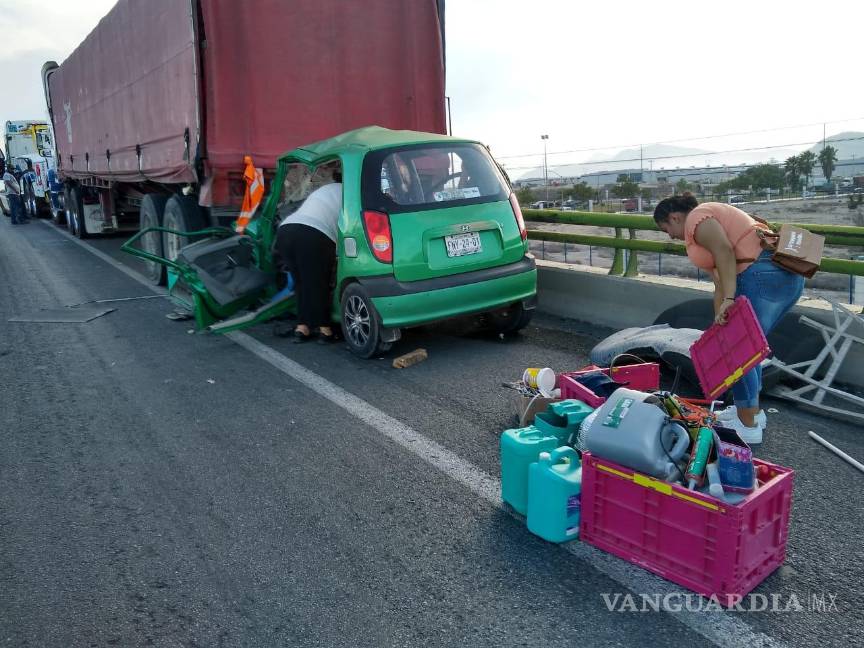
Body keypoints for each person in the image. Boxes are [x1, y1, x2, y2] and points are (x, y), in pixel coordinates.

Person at [653, 194, 804, 444]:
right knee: (747, 349)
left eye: (666, 228)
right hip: (781, 276)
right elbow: (720, 281)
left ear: (674, 217)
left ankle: (748, 425)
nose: (669, 235)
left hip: (761, 276)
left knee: (740, 353)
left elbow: (724, 251)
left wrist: (730, 299)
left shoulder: (696, 218)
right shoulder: (710, 218)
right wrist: (718, 321)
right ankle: (750, 412)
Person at [275, 171, 342, 344]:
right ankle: (325, 330)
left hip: (286, 231)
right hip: (313, 233)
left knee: (302, 282)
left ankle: (302, 328)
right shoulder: (350, 194)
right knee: (318, 282)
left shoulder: (327, 189)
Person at [2, 161, 27, 225]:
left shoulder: (9, 174)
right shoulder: (6, 175)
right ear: (8, 168)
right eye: (12, 169)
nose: (13, 170)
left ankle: (14, 221)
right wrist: (15, 190)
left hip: (14, 193)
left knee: (14, 208)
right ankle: (20, 220)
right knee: (18, 207)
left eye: (13, 169)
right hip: (13, 193)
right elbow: (8, 183)